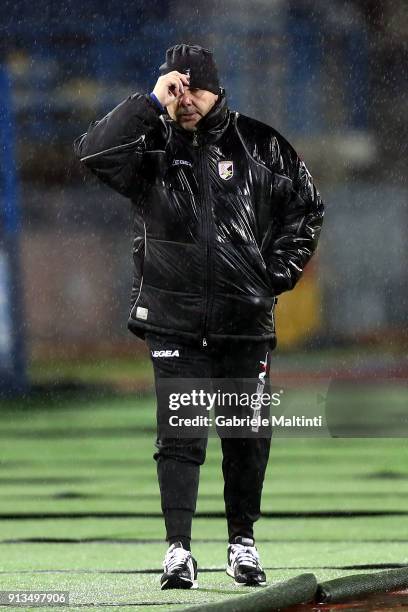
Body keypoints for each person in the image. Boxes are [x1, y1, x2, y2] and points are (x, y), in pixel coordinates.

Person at [74, 43, 324, 590]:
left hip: (243, 318)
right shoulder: (151, 147)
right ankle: (178, 551)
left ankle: (242, 544)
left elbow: (306, 208)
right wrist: (149, 103)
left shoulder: (260, 144)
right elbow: (92, 154)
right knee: (181, 434)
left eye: (195, 88)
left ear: (216, 90)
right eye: (176, 87)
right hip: (172, 319)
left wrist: (274, 272)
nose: (186, 99)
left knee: (246, 434)